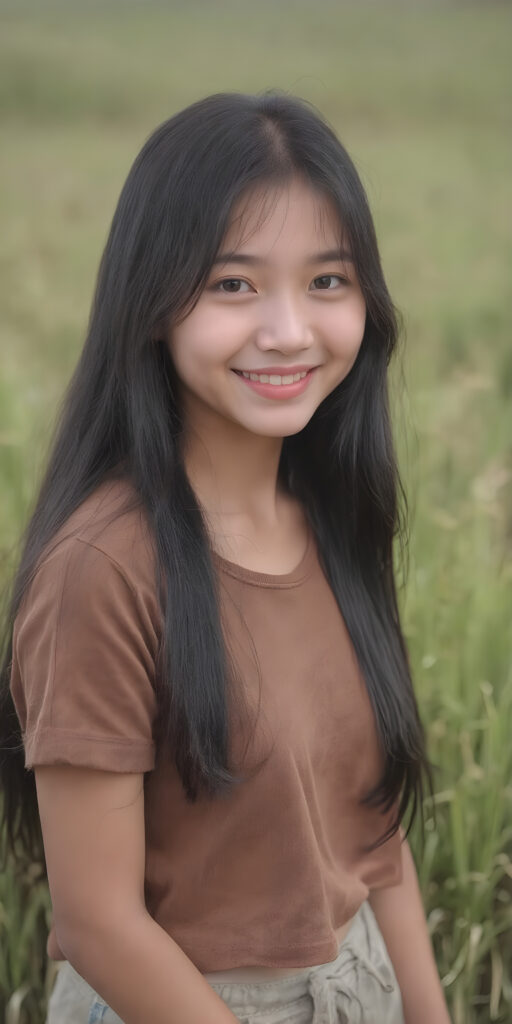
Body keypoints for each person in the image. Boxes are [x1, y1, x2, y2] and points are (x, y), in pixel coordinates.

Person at [0, 91, 451, 1024]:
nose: (289, 330)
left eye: (327, 281)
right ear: (152, 301)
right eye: (233, 284)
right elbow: (99, 925)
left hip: (355, 983)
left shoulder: (333, 519)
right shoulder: (104, 567)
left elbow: (375, 841)